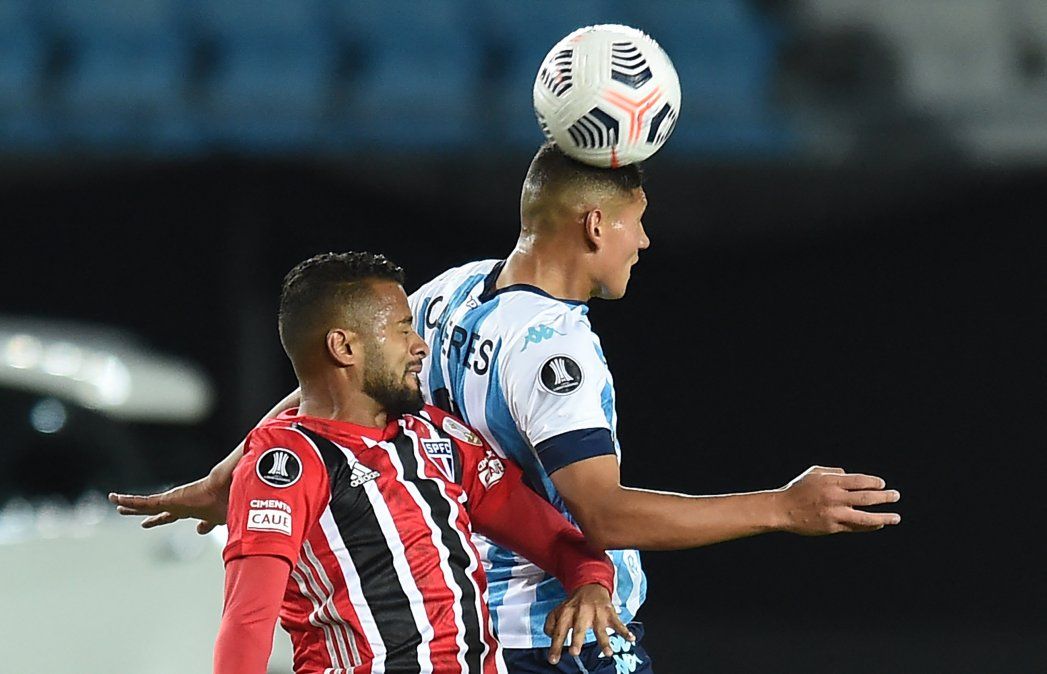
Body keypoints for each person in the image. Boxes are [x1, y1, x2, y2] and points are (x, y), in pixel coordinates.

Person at [112, 143, 901, 674]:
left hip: (478, 633)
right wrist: (780, 508)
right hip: (556, 638)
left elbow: (319, 379)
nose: (645, 241)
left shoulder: (454, 291)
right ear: (595, 224)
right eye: (637, 221)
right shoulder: (553, 348)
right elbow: (605, 515)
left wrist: (228, 472)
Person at [209, 251, 632, 673]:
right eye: (401, 330)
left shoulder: (436, 435)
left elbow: (556, 540)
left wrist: (591, 581)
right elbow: (248, 622)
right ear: (344, 346)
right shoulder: (286, 462)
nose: (419, 346)